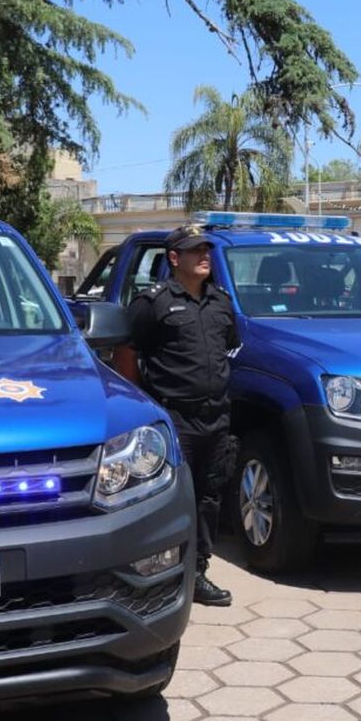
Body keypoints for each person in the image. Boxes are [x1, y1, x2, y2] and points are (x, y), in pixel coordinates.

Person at [126, 224, 239, 607]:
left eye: (206, 249)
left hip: (216, 420)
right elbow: (127, 354)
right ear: (174, 259)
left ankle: (197, 572)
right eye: (195, 251)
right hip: (175, 421)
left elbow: (228, 347)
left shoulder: (221, 302)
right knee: (167, 501)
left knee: (209, 498)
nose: (204, 256)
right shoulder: (153, 302)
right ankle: (155, 576)